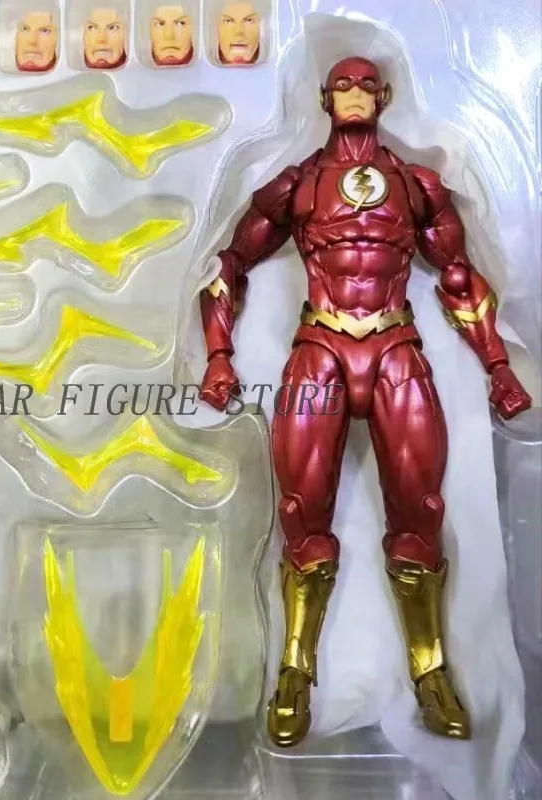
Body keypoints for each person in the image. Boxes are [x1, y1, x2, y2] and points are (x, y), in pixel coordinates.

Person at [198, 56, 532, 747]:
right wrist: (219, 356)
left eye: (364, 85)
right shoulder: (296, 185)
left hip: (394, 345)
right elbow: (225, 265)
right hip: (319, 346)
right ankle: (295, 672)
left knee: (421, 510)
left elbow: (460, 278)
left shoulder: (416, 185)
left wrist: (498, 366)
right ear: (325, 98)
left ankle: (430, 670)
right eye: (342, 85)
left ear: (385, 95)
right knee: (300, 513)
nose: (353, 94)